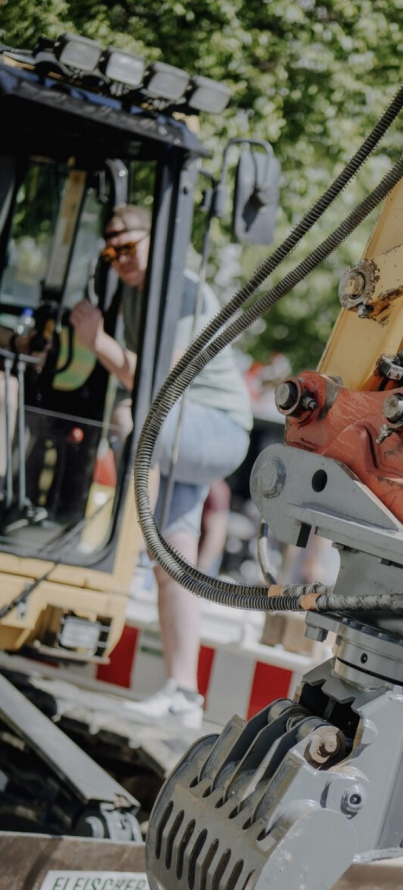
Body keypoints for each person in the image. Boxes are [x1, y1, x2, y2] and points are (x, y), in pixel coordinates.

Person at [71, 205, 252, 728]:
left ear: (157, 241)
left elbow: (157, 383)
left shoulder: (189, 293)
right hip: (179, 432)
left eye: (130, 248)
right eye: (112, 252)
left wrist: (97, 341)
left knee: (129, 417)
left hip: (215, 430)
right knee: (173, 559)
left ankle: (125, 541)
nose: (121, 259)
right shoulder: (133, 292)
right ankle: (183, 693)